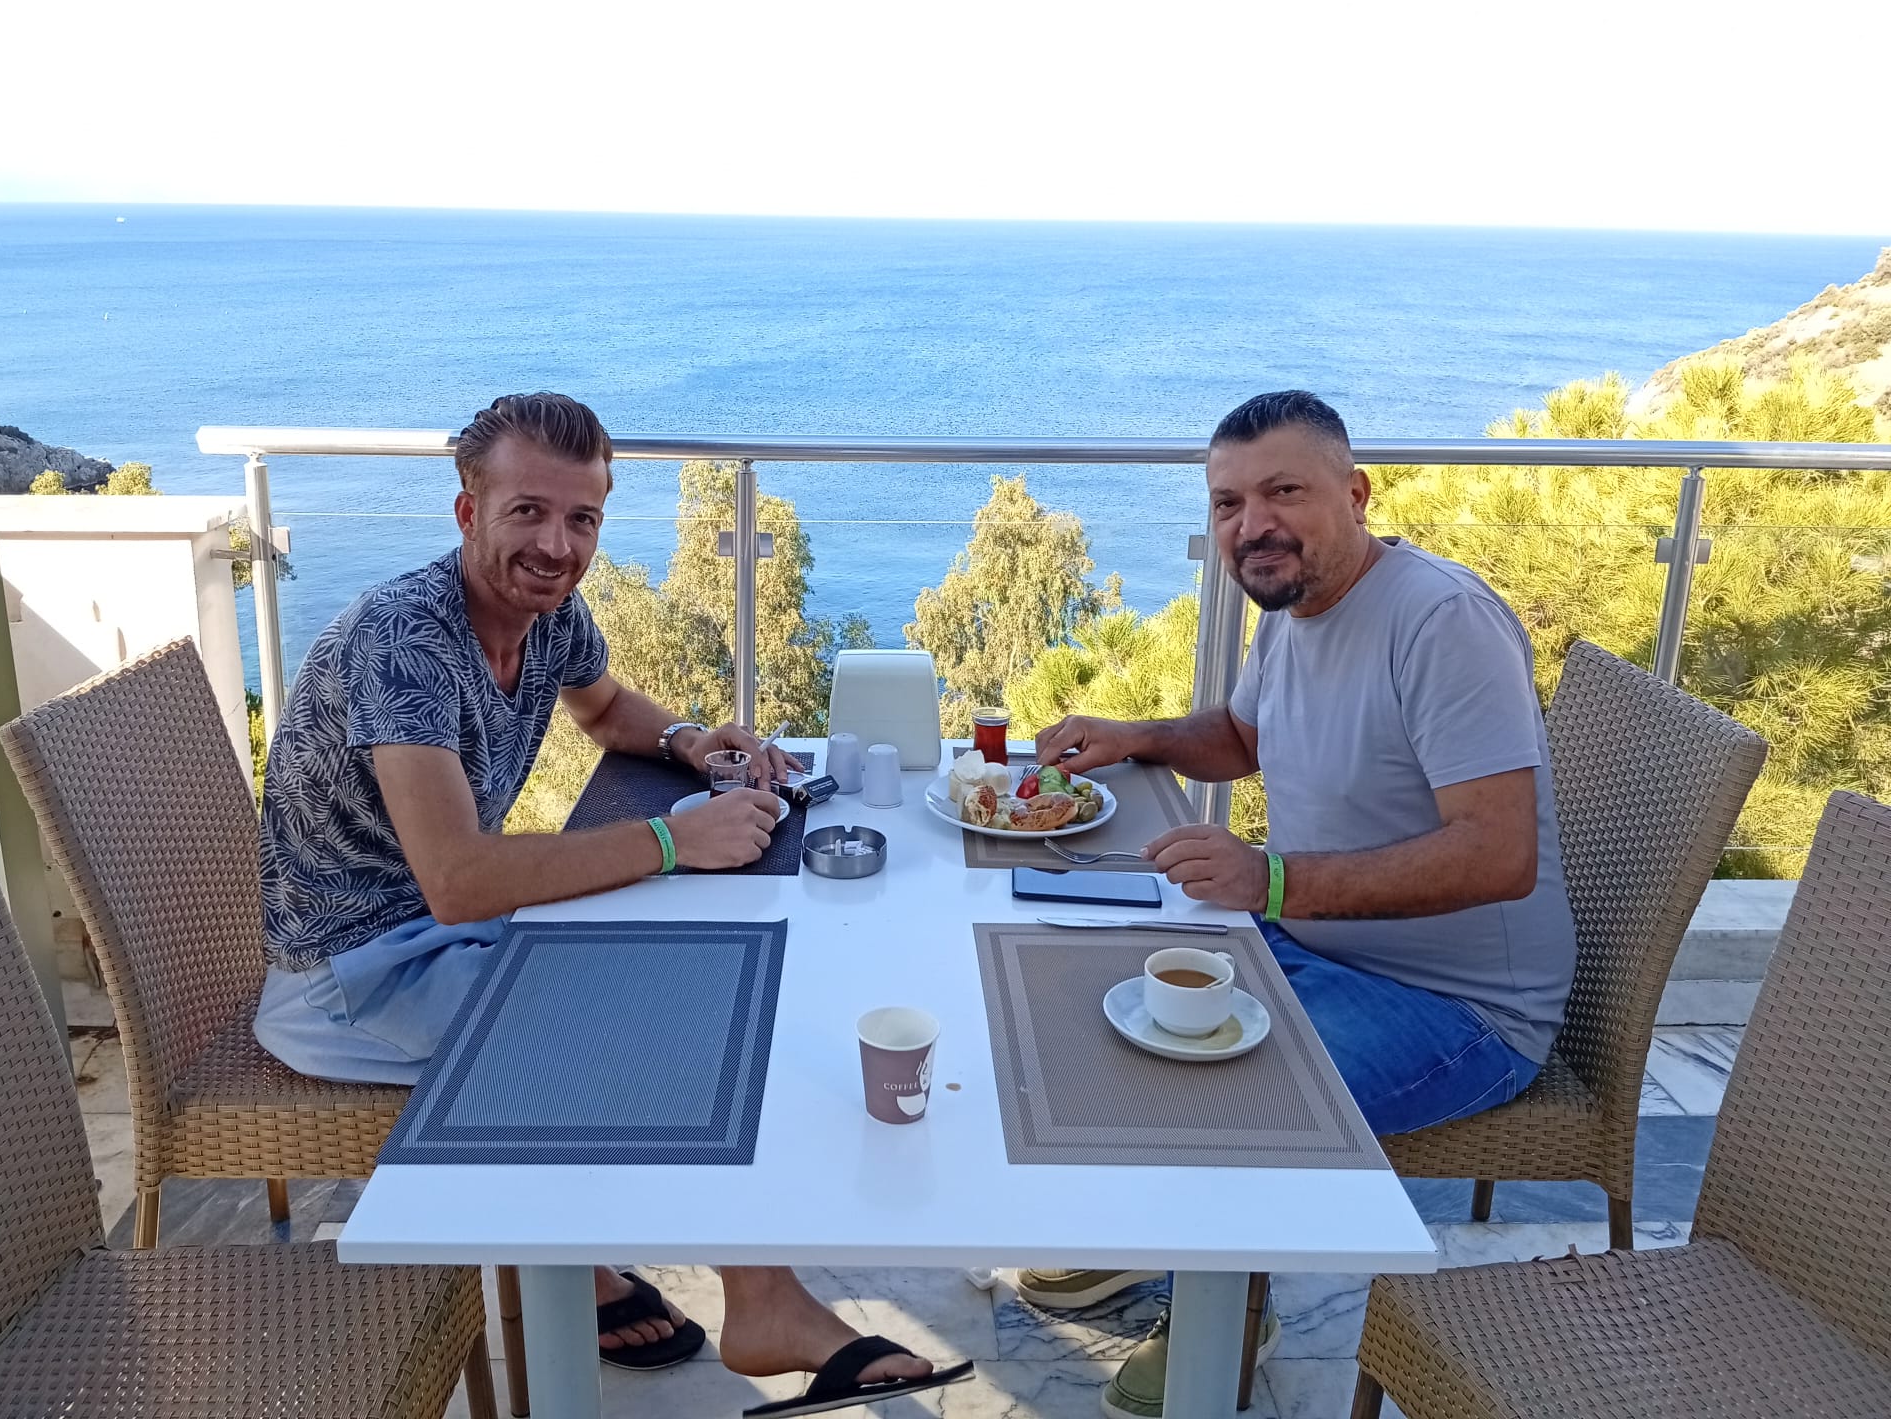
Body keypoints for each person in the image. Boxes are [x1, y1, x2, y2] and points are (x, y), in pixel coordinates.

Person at [254, 392, 964, 1413]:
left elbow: (606, 707)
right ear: (468, 512)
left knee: (685, 968)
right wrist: (675, 841)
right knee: (644, 1033)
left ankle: (689, 1278)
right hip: (352, 974)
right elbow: (458, 880)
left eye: (581, 519)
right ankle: (738, 1298)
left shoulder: (542, 612)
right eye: (529, 513)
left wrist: (689, 742)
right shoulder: (404, 643)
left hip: (444, 931)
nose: (557, 545)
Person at [1016, 390, 1575, 1419]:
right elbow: (1242, 738)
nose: (1253, 525)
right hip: (1314, 947)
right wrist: (1138, 736)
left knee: (1219, 1099)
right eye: (1229, 503)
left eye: (1284, 492)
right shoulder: (1295, 608)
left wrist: (1272, 880)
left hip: (1458, 1008)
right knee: (1096, 988)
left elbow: (1501, 857)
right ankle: (1155, 1240)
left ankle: (1225, 1317)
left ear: (1356, 495)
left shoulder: (1441, 621)